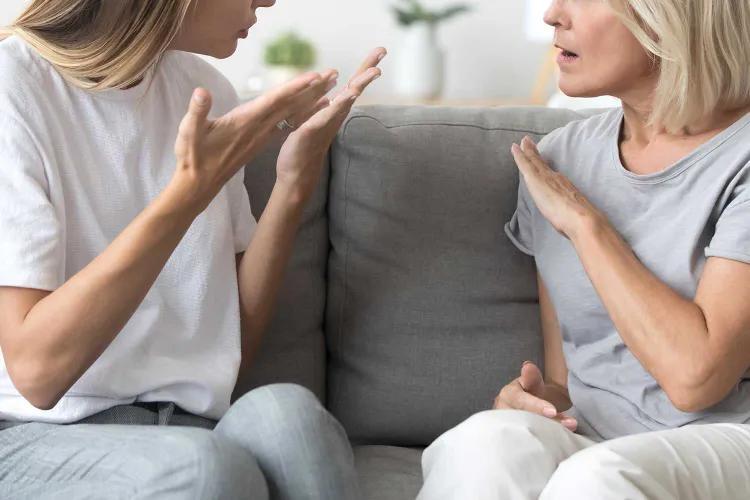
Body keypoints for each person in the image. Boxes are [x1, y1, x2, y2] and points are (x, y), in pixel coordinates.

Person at [0, 0, 386, 498]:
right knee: (204, 468)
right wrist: (188, 194)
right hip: (40, 437)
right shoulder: (14, 86)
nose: (269, 1)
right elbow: (37, 375)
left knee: (290, 419)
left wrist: (293, 184)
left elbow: (229, 347)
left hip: (194, 430)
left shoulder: (205, 91)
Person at [419, 0, 750, 498]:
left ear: (670, 15)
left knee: (599, 477)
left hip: (729, 438)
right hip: (597, 438)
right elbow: (567, 379)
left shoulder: (739, 158)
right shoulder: (559, 159)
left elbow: (695, 380)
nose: (553, 14)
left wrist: (584, 224)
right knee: (483, 441)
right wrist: (539, 402)